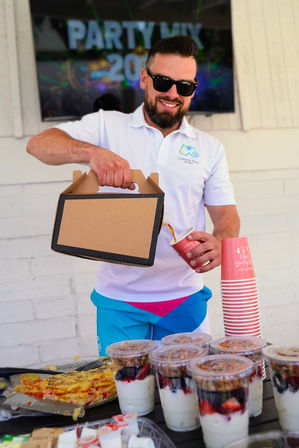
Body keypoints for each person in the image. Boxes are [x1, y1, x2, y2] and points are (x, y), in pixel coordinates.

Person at [26, 35, 240, 355]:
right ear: (144, 78)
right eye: (164, 81)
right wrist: (92, 152)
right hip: (119, 302)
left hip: (186, 300)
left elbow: (226, 216)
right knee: (125, 400)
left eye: (185, 86)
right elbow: (39, 145)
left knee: (187, 398)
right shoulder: (107, 126)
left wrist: (222, 241)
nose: (172, 94)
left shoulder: (209, 148)